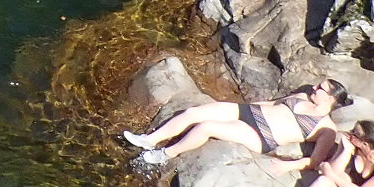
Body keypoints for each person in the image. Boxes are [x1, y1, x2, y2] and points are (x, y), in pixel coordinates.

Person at [124, 79, 350, 167]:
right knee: (194, 112)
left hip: (261, 134)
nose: (314, 88)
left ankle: (165, 154)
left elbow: (314, 161)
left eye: (320, 89)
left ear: (330, 99)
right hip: (250, 113)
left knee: (206, 127)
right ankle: (149, 140)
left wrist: (286, 165)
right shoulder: (302, 97)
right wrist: (241, 109)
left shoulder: (327, 128)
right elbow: (272, 103)